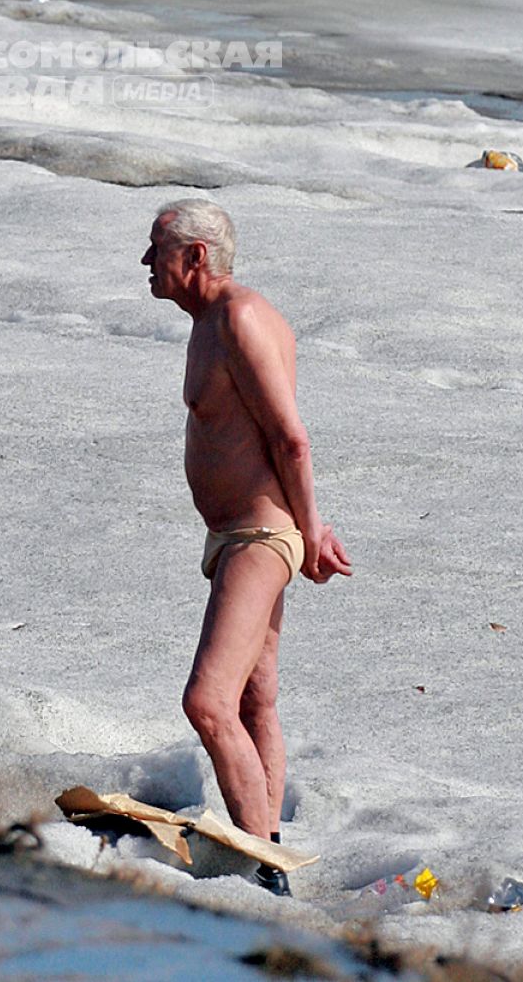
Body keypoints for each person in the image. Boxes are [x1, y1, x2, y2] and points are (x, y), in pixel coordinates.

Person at [142, 198, 351, 888]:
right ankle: (272, 842)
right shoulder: (210, 322)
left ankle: (263, 867)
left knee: (207, 701)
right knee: (256, 700)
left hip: (260, 534)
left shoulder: (240, 316)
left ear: (195, 256)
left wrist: (311, 529)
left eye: (157, 248)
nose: (147, 262)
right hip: (235, 533)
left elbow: (290, 434)